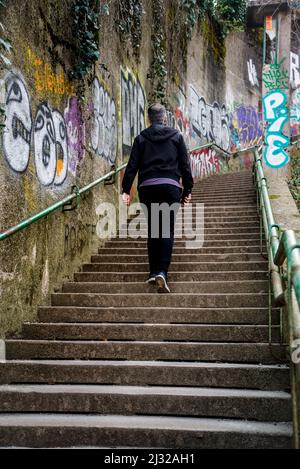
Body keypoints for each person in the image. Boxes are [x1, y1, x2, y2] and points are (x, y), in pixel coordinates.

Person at [122, 103, 193, 293]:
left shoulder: (141, 138)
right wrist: (187, 191)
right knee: (166, 230)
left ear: (149, 119)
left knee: (154, 229)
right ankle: (162, 271)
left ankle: (153, 272)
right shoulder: (177, 137)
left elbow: (132, 166)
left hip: (148, 188)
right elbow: (185, 166)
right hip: (170, 187)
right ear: (165, 118)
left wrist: (125, 190)